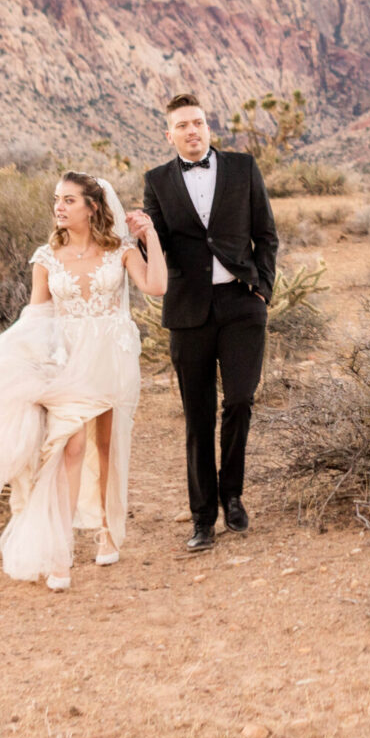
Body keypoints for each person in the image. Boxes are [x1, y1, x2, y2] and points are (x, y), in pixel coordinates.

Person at [0, 172, 166, 590]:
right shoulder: (46, 257)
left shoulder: (119, 250)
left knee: (107, 446)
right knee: (69, 446)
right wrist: (17, 362)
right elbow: (36, 318)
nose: (59, 207)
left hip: (111, 361)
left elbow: (156, 287)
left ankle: (106, 529)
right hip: (68, 364)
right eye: (56, 200)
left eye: (69, 200)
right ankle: (60, 551)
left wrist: (148, 237)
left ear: (93, 207)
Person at [135, 92, 278, 551]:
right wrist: (141, 234)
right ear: (169, 134)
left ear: (208, 126)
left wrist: (264, 289)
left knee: (239, 401)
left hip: (241, 304)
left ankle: (232, 494)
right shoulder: (156, 181)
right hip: (188, 310)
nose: (192, 131)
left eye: (197, 122)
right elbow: (153, 247)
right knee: (197, 417)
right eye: (182, 125)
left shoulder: (242, 168)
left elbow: (266, 234)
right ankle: (203, 518)